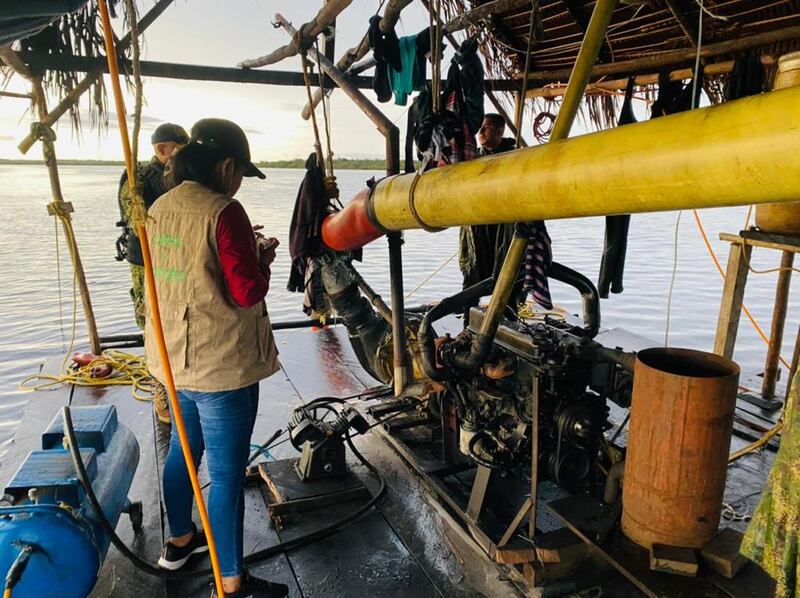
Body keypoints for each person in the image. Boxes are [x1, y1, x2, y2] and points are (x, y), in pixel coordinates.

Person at [145, 118, 287, 598]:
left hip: (173, 358)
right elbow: (246, 291)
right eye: (241, 171)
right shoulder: (226, 211)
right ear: (226, 166)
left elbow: (187, 267)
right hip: (220, 364)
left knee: (184, 454)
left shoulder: (159, 208)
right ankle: (231, 582)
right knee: (226, 476)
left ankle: (180, 539)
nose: (241, 180)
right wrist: (263, 258)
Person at [117, 122, 189, 425]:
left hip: (179, 258)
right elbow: (133, 217)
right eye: (163, 148)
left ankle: (182, 383)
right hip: (145, 258)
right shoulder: (138, 178)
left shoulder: (188, 175)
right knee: (151, 322)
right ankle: (160, 387)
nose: (168, 154)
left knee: (179, 318)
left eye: (174, 147)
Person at [460, 114, 518, 322]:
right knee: (472, 279)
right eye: (480, 128)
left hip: (503, 228)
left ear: (500, 131)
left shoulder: (514, 157)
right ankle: (468, 327)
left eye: (487, 128)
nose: (481, 132)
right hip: (477, 227)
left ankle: (509, 327)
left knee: (507, 278)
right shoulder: (472, 157)